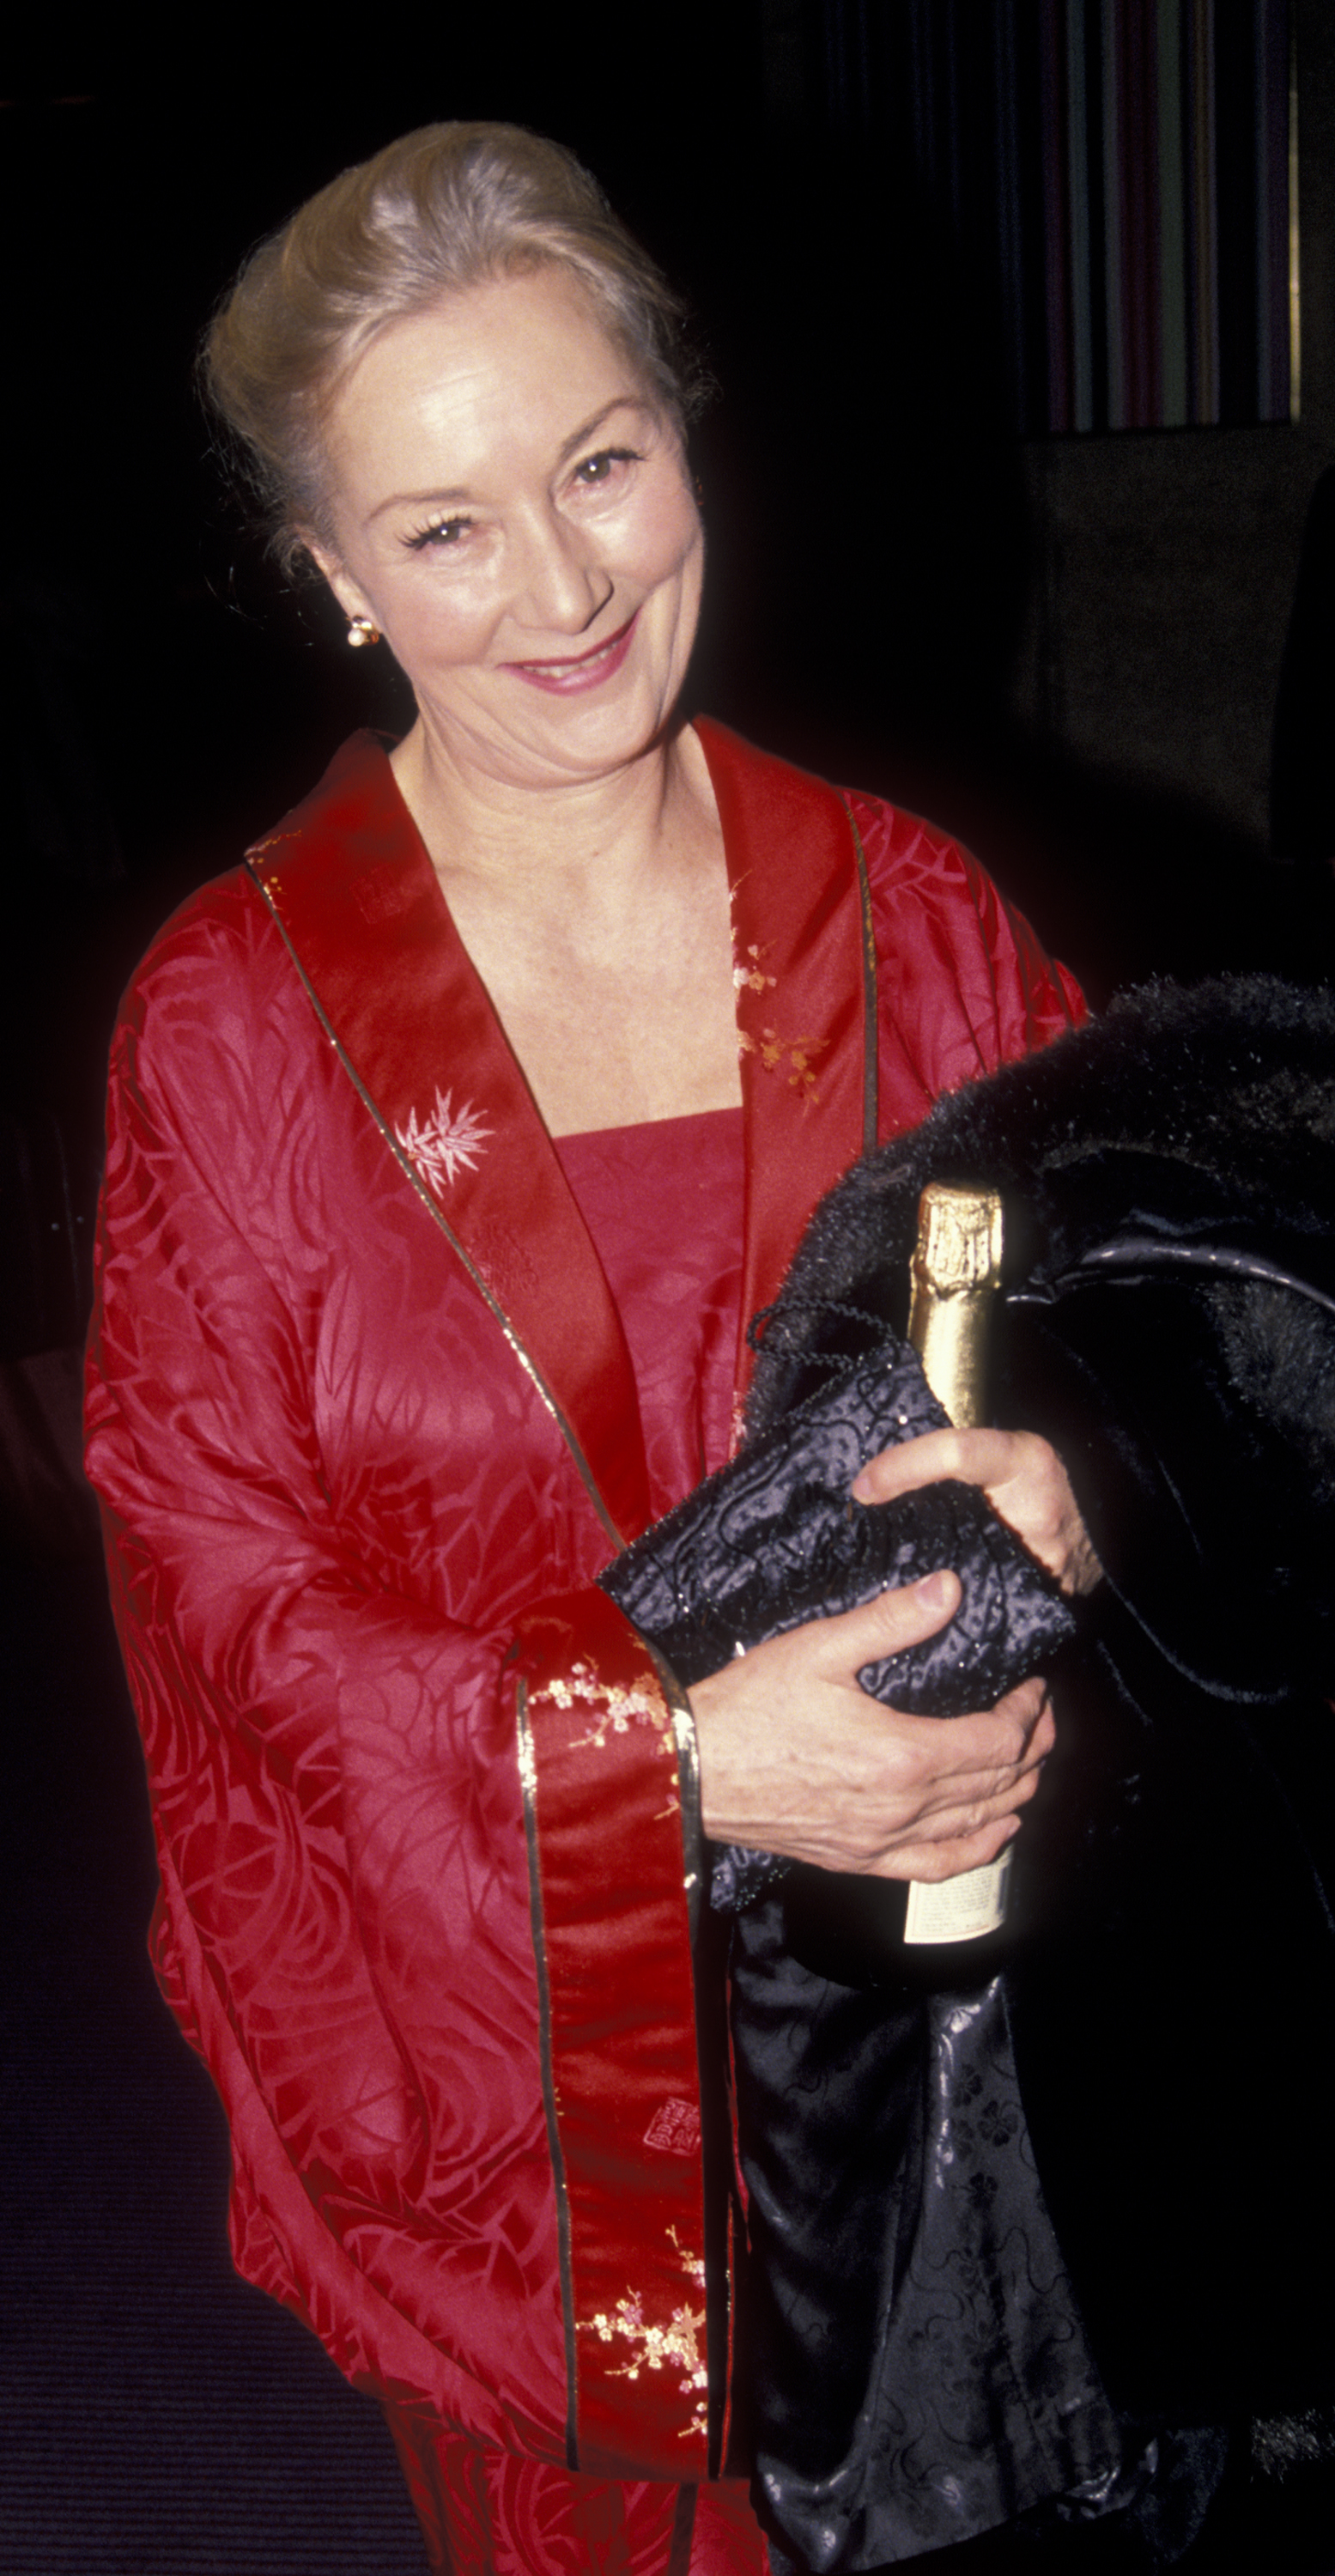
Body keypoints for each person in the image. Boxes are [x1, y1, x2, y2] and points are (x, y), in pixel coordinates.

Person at [84, 124, 1099, 2575]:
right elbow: (223, 1612)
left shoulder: (914, 914)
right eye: (442, 530)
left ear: (682, 435)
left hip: (941, 2062)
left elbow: (1150, 1320)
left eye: (601, 466)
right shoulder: (233, 1029)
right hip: (539, 2112)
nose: (560, 589)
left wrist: (1102, 1487)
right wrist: (657, 1762)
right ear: (333, 578)